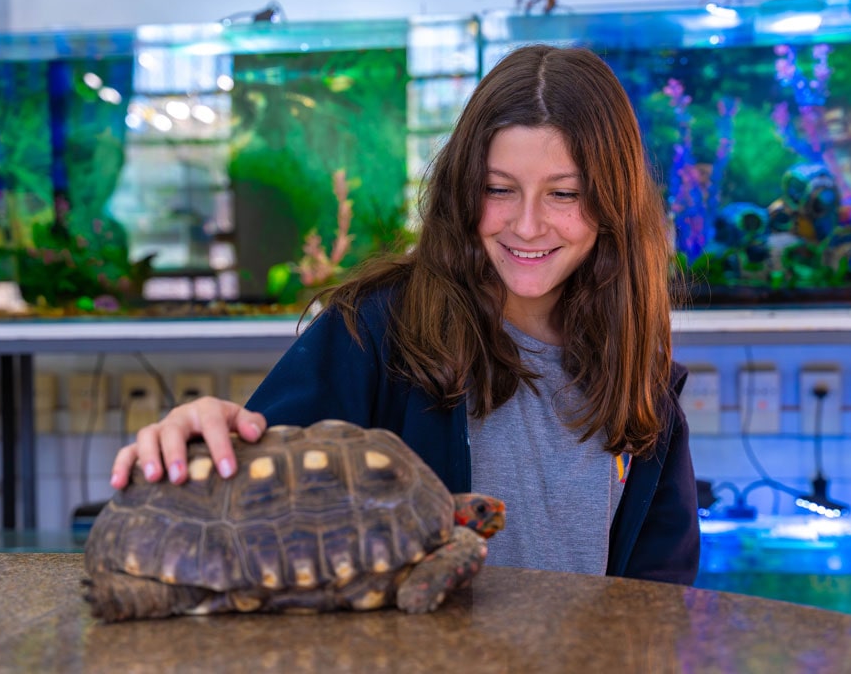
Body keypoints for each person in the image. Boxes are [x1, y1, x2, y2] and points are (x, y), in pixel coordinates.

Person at [111, 44, 700, 585]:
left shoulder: (640, 374)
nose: (526, 224)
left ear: (613, 202)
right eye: (499, 189)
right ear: (463, 188)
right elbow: (255, 487)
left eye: (563, 194)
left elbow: (656, 599)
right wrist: (200, 436)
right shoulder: (376, 330)